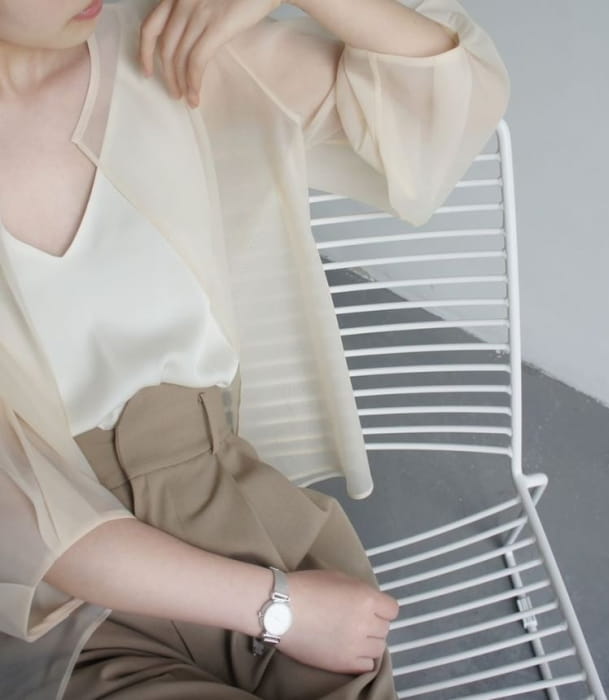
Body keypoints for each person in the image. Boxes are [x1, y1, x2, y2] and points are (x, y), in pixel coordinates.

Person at [0, 0, 510, 698]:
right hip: (55, 597)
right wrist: (282, 608)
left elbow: (446, 106)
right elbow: (25, 520)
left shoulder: (169, 49)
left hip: (235, 511)